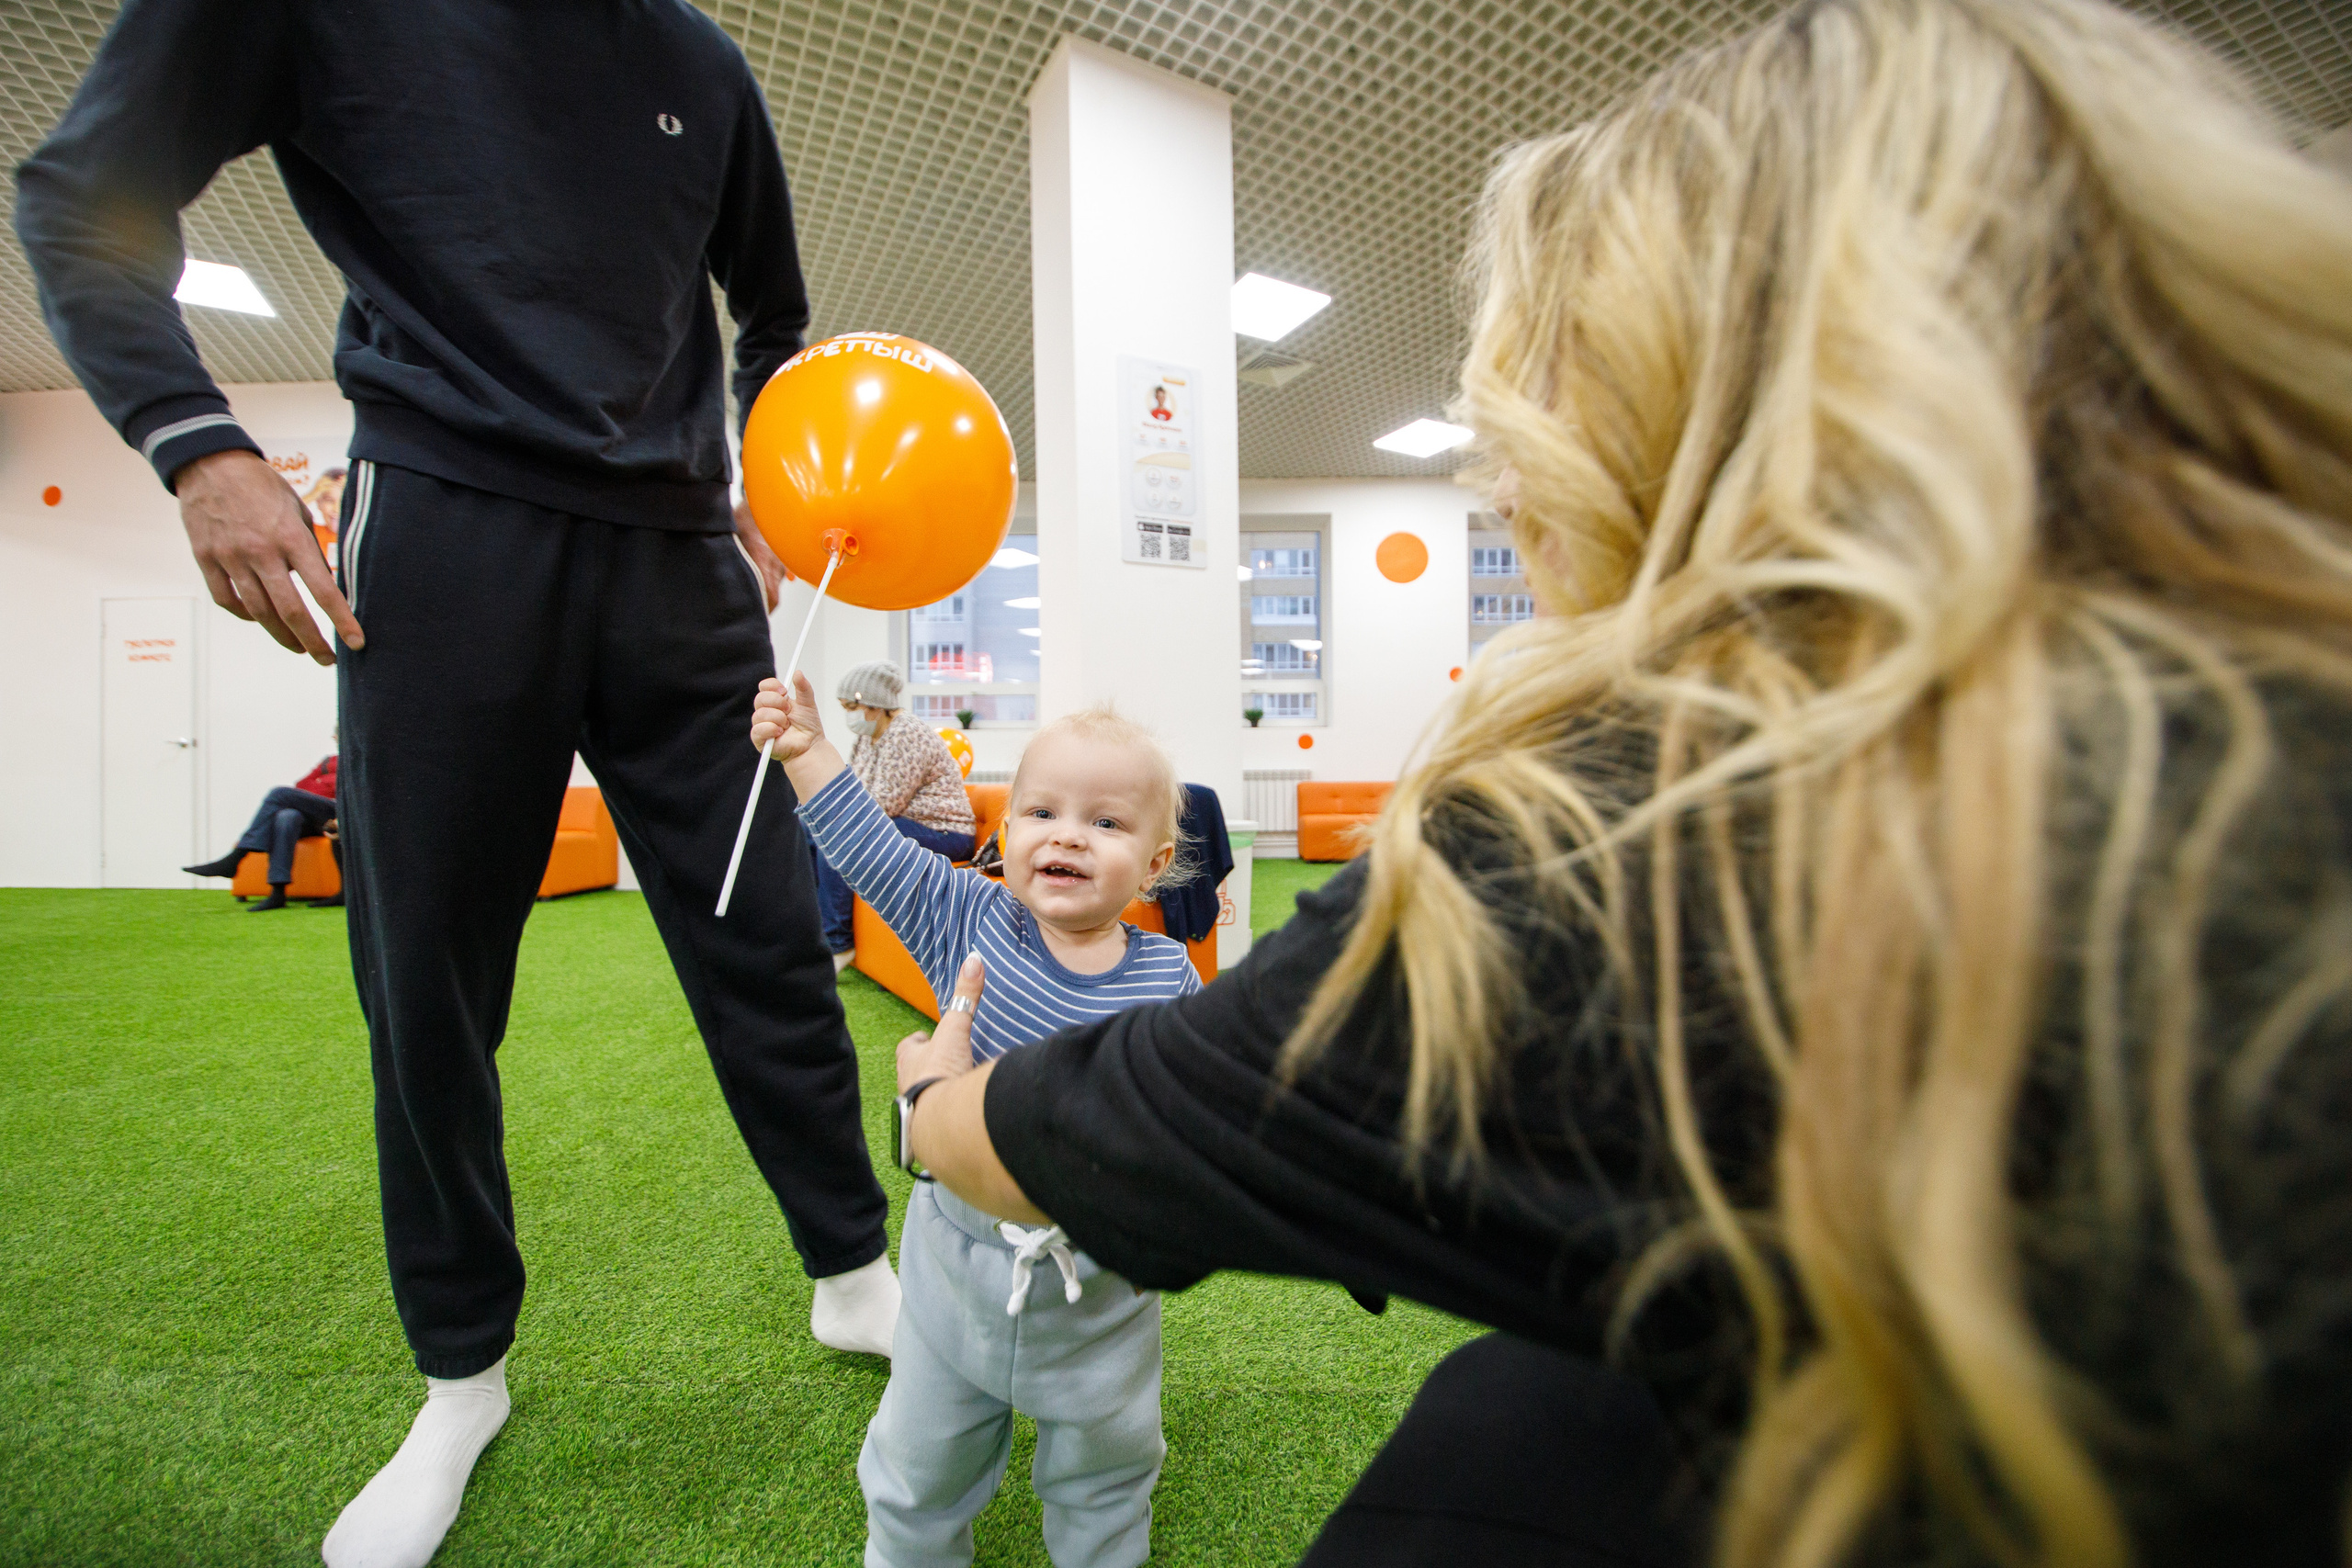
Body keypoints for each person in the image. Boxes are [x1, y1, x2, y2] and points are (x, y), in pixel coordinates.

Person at [888, 0, 2352, 1563]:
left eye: (1537, 414)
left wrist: (930, 1097)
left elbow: (1056, 1138)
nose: (1505, 486)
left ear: (1672, 421)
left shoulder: (1607, 841)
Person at [15, 4, 899, 1565]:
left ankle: (851, 1267)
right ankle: (460, 1374)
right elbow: (83, 191)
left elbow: (779, 323)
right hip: (445, 519)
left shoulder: (700, 62)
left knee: (763, 930)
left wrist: (773, 474)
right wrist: (191, 437)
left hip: (688, 558)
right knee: (427, 981)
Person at [751, 674, 1199, 1568]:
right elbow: (869, 848)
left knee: (1107, 1467)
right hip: (954, 1260)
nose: (1067, 832)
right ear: (1006, 836)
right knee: (920, 1455)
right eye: (1041, 812)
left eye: (1106, 823)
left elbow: (1188, 1122)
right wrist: (806, 751)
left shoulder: (1169, 978)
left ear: (1152, 866)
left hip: (1098, 1288)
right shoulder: (966, 916)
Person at [814, 660, 978, 969]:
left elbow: (885, 804)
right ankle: (816, 933)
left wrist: (837, 816)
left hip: (945, 832)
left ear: (874, 705)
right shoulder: (868, 735)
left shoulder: (907, 733)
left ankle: (838, 944)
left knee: (839, 834)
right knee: (811, 829)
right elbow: (853, 786)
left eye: (851, 706)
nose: (848, 714)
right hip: (902, 823)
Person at [186, 749, 341, 911]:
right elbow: (301, 786)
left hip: (338, 812)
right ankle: (277, 892)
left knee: (279, 793)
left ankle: (237, 857)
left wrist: (322, 784)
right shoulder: (328, 761)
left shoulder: (356, 758)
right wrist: (315, 791)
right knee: (286, 817)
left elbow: (346, 790)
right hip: (314, 813)